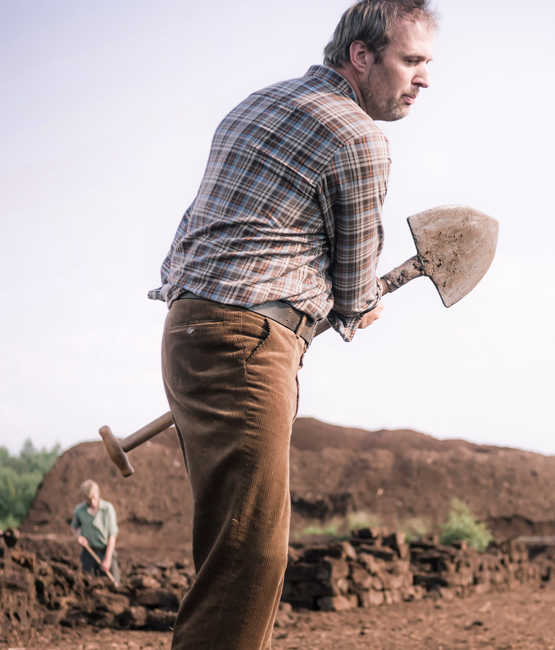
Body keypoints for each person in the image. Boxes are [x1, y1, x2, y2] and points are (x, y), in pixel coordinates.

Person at [147, 2, 436, 647]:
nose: (423, 80)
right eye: (411, 61)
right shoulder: (359, 137)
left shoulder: (258, 102)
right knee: (250, 560)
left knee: (229, 548)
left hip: (189, 327)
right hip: (248, 343)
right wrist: (362, 304)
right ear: (361, 56)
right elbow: (357, 293)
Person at [70, 480, 121, 583]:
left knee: (114, 583)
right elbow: (74, 527)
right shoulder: (79, 510)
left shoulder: (108, 509)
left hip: (105, 551)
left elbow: (112, 535)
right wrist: (78, 537)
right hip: (89, 552)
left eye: (94, 498)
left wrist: (107, 558)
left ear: (98, 493)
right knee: (88, 583)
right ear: (84, 498)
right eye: (89, 500)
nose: (92, 503)